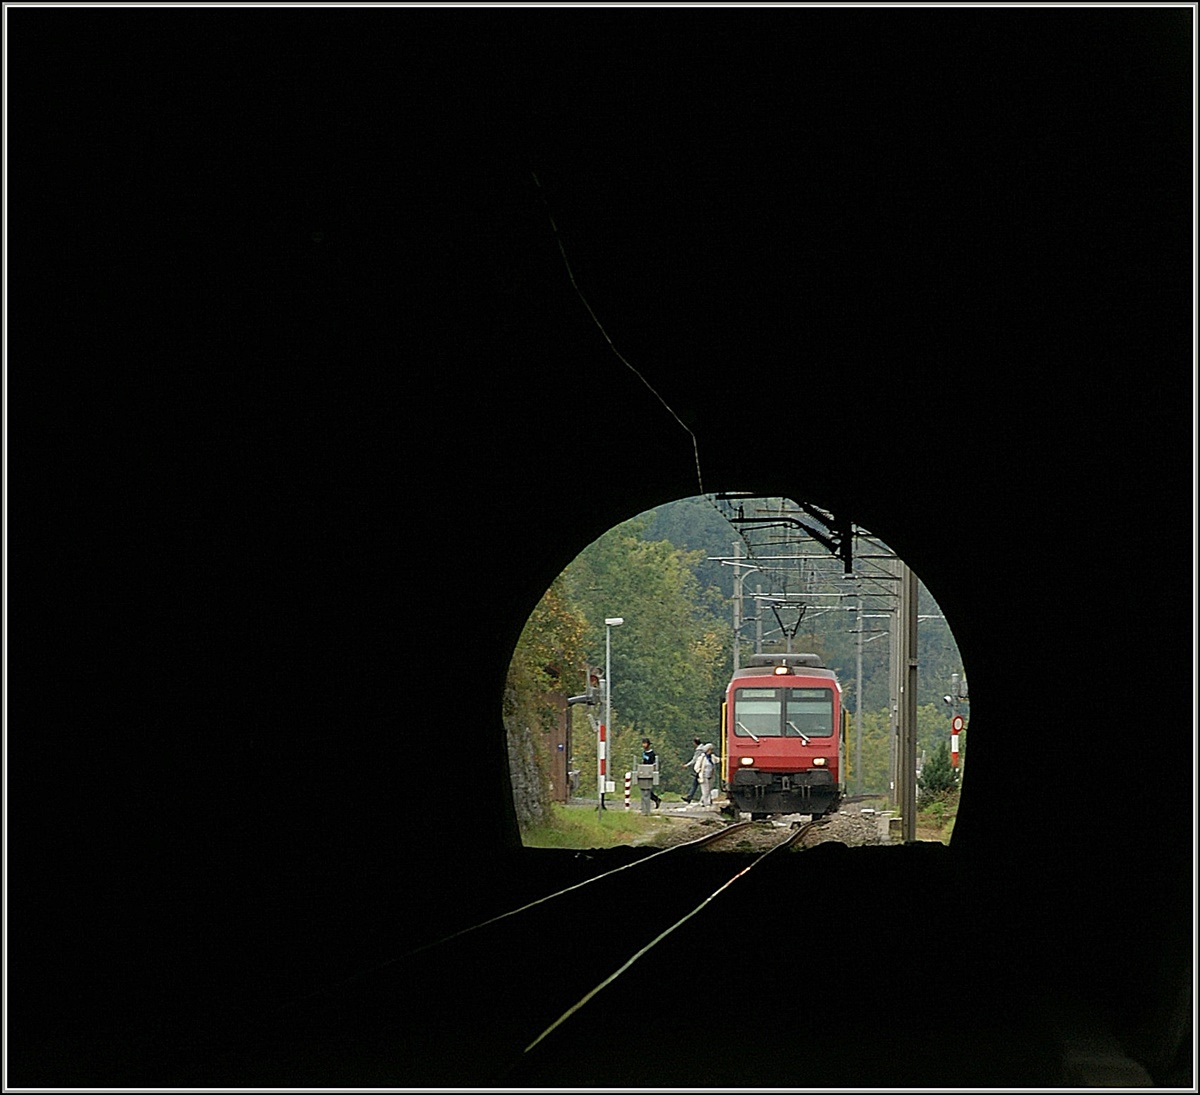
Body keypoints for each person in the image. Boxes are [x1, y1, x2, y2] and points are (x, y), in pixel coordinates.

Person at [681, 737, 704, 803]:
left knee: (700, 784)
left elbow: (694, 760)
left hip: (700, 769)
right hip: (702, 769)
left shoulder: (699, 750)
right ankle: (690, 797)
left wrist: (687, 765)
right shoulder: (703, 748)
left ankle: (691, 797)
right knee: (696, 784)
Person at [695, 743, 719, 807]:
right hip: (704, 776)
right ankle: (707, 803)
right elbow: (696, 767)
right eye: (710, 750)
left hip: (711, 776)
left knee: (709, 789)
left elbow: (718, 760)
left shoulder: (712, 757)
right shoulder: (702, 758)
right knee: (705, 790)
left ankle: (702, 801)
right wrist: (699, 772)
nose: (711, 751)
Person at [640, 738, 661, 808]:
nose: (644, 745)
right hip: (644, 771)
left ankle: (655, 800)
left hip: (650, 771)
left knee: (647, 789)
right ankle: (655, 799)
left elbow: (654, 763)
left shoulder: (652, 753)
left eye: (645, 743)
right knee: (645, 789)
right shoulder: (644, 753)